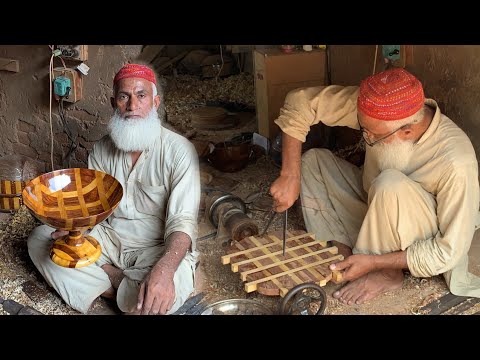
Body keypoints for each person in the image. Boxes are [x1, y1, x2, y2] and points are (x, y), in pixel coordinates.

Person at [270, 67, 480, 306]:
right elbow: (299, 101)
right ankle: (344, 248)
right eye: (363, 130)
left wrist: (375, 263)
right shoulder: (379, 110)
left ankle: (387, 273)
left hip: (415, 236)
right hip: (373, 201)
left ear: (407, 131)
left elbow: (448, 252)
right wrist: (290, 174)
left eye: (371, 136)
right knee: (312, 162)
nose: (365, 138)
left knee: (390, 183)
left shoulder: (456, 161)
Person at [27, 63, 200, 315]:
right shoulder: (101, 149)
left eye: (141, 96)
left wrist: (163, 271)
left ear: (155, 102)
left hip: (155, 248)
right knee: (40, 240)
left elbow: (182, 223)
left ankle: (108, 286)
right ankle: (120, 286)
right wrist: (75, 228)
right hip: (107, 240)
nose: (132, 106)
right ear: (113, 102)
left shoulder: (179, 151)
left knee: (165, 290)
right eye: (124, 97)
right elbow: (94, 209)